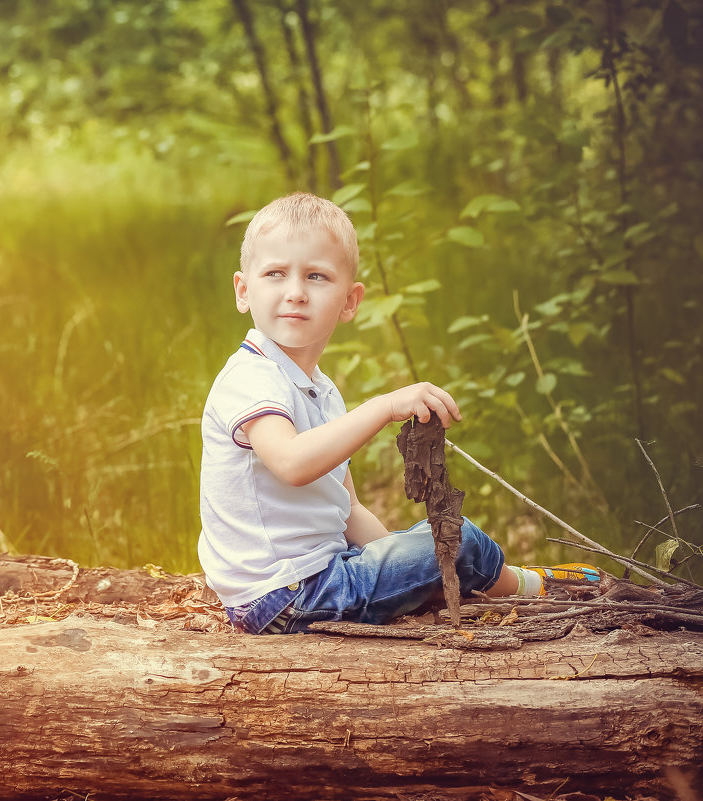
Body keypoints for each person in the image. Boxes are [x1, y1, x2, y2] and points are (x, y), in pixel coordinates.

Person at [198, 192, 597, 634]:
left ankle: (479, 585)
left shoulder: (320, 391)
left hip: (320, 575)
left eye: (316, 276)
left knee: (432, 541)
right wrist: (385, 406)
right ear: (243, 290)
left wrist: (403, 557)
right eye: (275, 273)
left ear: (350, 301)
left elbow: (347, 508)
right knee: (456, 537)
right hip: (284, 595)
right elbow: (291, 463)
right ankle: (534, 587)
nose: (295, 292)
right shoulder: (251, 377)